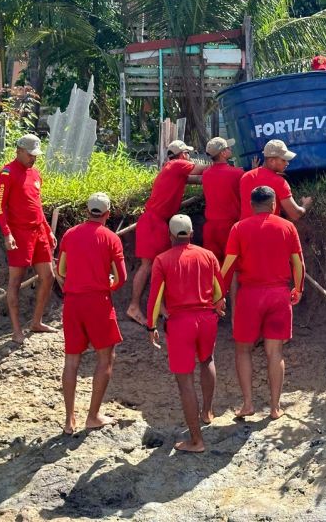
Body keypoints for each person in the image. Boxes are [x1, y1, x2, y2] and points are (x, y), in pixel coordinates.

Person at [221, 186, 305, 420]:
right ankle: (275, 408)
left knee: (242, 349)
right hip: (279, 295)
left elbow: (227, 267)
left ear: (250, 205)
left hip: (250, 296)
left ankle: (247, 404)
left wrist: (218, 294)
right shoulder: (287, 227)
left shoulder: (239, 228)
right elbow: (298, 264)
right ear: (274, 204)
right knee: (275, 352)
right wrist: (298, 289)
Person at [147, 214, 226, 453]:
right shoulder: (208, 255)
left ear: (170, 235)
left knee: (185, 382)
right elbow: (219, 291)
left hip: (181, 322)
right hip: (207, 319)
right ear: (191, 233)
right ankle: (208, 412)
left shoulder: (162, 260)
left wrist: (151, 326)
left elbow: (155, 298)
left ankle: (196, 441)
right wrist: (217, 307)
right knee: (207, 360)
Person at [57, 192, 126, 433]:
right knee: (105, 358)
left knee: (71, 361)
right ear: (107, 214)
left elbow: (61, 270)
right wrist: (109, 284)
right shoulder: (111, 239)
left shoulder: (70, 234)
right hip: (98, 302)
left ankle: (69, 420)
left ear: (87, 211)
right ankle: (93, 416)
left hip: (73, 303)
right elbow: (121, 277)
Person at [126, 140, 209, 326]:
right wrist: (218, 160)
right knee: (147, 265)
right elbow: (201, 169)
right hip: (153, 222)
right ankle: (133, 306)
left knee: (158, 265)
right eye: (187, 153)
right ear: (182, 155)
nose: (189, 156)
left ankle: (161, 306)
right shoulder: (177, 165)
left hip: (158, 222)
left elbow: (197, 179)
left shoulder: (172, 168)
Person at [0, 133, 57, 344]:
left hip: (39, 232)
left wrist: (48, 230)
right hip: (19, 234)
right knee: (15, 282)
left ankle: (36, 322)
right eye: (30, 154)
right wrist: (7, 234)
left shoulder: (36, 174)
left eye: (36, 155)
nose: (33, 158)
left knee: (48, 276)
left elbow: (37, 205)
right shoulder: (6, 173)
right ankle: (16, 330)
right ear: (19, 151)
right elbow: (0, 207)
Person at [239, 139, 313, 220]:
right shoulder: (279, 182)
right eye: (283, 160)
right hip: (268, 230)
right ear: (271, 161)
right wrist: (305, 205)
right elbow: (295, 214)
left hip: (244, 230)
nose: (287, 163)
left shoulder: (245, 177)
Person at [201, 137, 244, 261]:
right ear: (223, 153)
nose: (231, 149)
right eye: (228, 148)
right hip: (229, 227)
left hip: (210, 228)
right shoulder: (237, 174)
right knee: (232, 266)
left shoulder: (206, 174)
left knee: (214, 268)